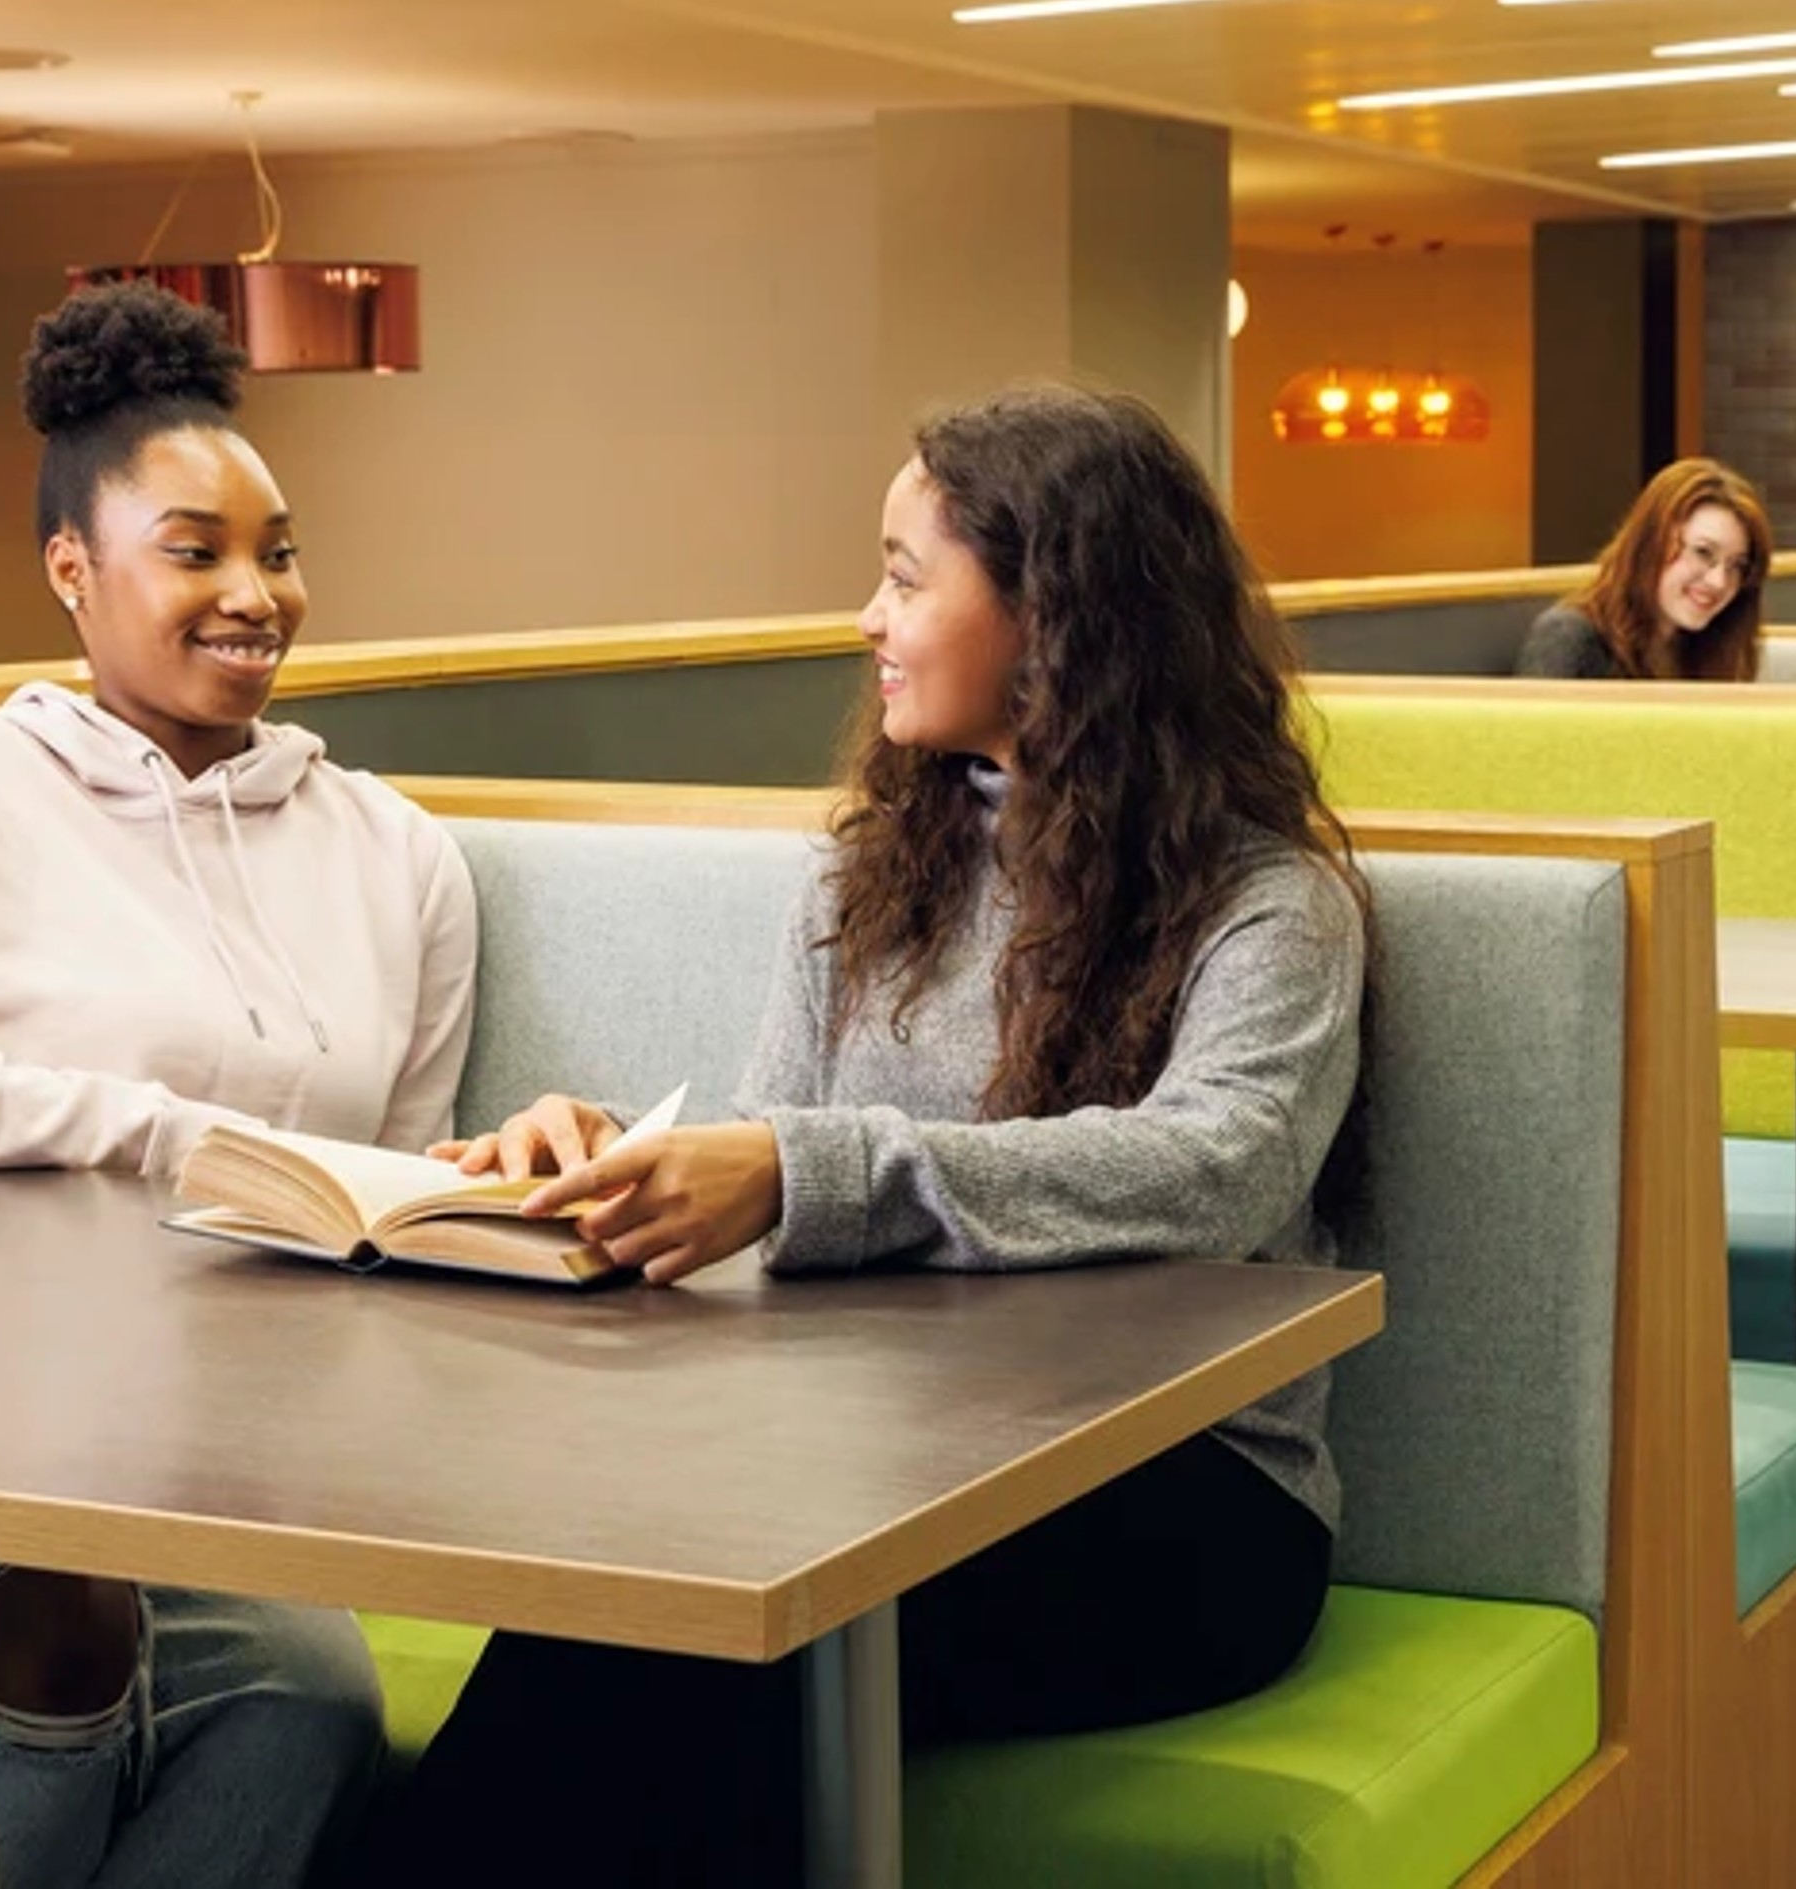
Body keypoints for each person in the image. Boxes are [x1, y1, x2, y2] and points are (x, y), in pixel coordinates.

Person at [380, 384, 1371, 1887]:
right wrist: (621, 1157)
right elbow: (785, 1149)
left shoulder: (1267, 903)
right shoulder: (872, 878)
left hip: (1182, 1497)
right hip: (875, 1457)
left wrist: (796, 1172)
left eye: (906, 576)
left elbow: (1219, 1167)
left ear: (1059, 612)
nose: (866, 617)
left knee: (725, 1660)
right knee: (630, 1627)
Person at [0, 279, 480, 1889]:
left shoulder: (399, 854)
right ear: (72, 569)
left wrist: (494, 1191)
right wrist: (175, 1136)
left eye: (280, 551)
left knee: (312, 1700)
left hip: (232, 1488)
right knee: (42, 1643)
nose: (255, 595)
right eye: (195, 551)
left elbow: (389, 1197)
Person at [1515, 457, 1774, 680]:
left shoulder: (1707, 649)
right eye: (1703, 552)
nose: (1719, 581)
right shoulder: (1569, 639)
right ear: (1651, 542)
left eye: (1737, 565)